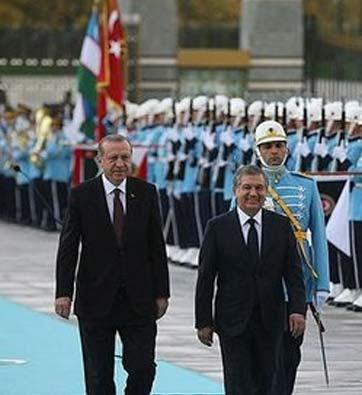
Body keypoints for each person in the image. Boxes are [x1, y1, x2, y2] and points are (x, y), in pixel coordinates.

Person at [54, 133, 170, 395]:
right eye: (113, 158)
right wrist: (63, 292)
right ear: (100, 161)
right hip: (95, 299)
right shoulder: (82, 195)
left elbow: (156, 246)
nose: (120, 164)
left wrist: (162, 292)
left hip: (138, 300)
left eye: (125, 157)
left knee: (142, 368)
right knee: (98, 376)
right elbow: (68, 247)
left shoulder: (146, 192)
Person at [195, 164, 306, 395]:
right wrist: (203, 321)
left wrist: (297, 310)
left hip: (271, 320)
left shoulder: (281, 226)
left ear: (266, 191)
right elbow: (206, 278)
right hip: (232, 320)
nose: (253, 194)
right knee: (238, 384)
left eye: (259, 188)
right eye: (247, 188)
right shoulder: (217, 227)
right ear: (236, 190)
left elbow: (294, 274)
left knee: (269, 383)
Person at [248, 119, 329, 394]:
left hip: (297, 279)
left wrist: (321, 284)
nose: (274, 152)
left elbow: (318, 235)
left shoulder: (306, 186)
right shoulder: (248, 184)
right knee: (262, 352)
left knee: (290, 353)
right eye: (268, 146)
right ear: (258, 150)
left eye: (279, 145)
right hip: (260, 281)